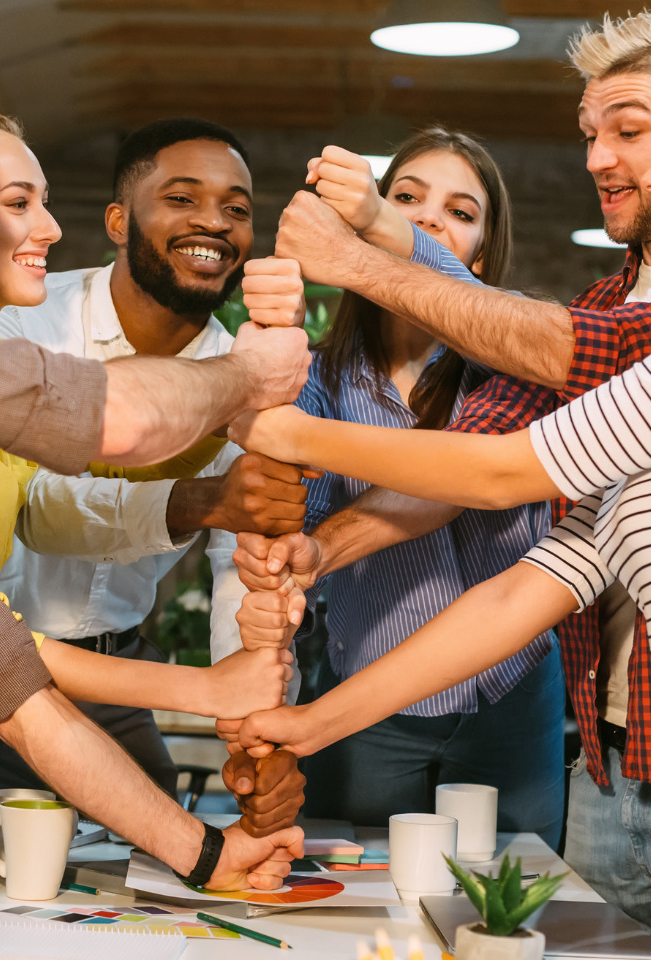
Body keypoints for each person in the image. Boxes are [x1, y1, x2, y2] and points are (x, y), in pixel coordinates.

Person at [227, 8, 651, 926]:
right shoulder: (606, 308)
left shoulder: (567, 344)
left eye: (629, 130)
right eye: (590, 134)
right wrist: (306, 682)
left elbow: (493, 473)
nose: (597, 160)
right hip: (593, 748)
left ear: (485, 247)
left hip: (516, 703)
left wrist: (364, 244)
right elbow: (529, 573)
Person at [0, 50, 306, 957]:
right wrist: (248, 378)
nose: (44, 224)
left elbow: (0, 656)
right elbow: (112, 419)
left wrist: (209, 846)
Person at [226, 352, 651, 925]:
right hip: (620, 777)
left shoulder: (566, 357)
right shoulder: (630, 403)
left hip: (523, 702)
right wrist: (313, 723)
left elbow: (495, 473)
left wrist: (298, 436)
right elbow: (515, 599)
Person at [0, 106, 293, 738]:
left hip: (105, 665)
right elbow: (49, 497)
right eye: (181, 198)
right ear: (119, 222)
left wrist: (251, 725)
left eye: (236, 208)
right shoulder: (9, 321)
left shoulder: (240, 362)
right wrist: (207, 492)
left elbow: (240, 565)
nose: (214, 221)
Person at [241, 130, 564, 840]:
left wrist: (381, 225)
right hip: (368, 699)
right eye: (407, 199)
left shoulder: (514, 357)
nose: (427, 220)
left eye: (459, 212)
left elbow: (465, 477)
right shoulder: (323, 376)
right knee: (361, 887)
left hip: (511, 693)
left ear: (479, 256)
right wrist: (273, 334)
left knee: (515, 884)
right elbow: (291, 515)